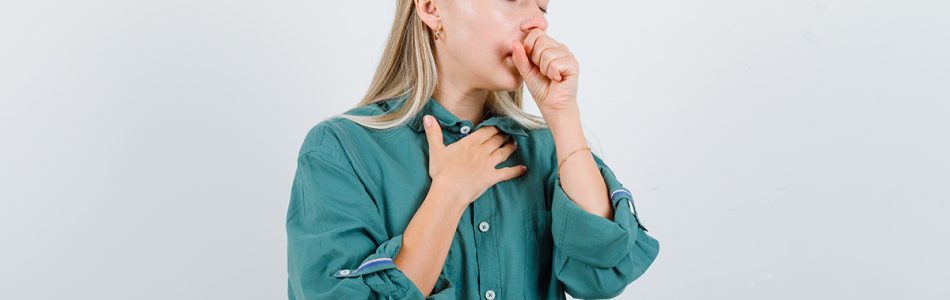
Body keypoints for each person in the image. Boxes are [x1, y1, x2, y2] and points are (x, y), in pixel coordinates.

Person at [286, 0, 659, 298]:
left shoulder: (546, 150)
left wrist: (563, 115)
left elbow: (603, 274)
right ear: (432, 8)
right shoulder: (340, 150)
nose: (537, 23)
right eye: (513, 0)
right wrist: (448, 195)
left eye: (543, 8)